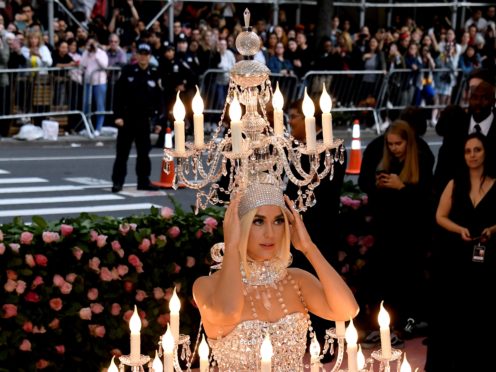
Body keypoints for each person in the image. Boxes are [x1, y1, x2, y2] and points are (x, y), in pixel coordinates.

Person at [192, 174, 359, 370]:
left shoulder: (296, 279)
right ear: (238, 225)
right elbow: (228, 312)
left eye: (278, 221)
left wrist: (308, 247)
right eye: (258, 221)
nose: (270, 233)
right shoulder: (206, 285)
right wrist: (232, 245)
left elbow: (347, 310)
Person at [425, 133, 496, 371]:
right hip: (458, 257)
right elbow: (440, 216)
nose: (472, 155)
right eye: (468, 151)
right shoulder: (455, 182)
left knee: (484, 310)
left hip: (490, 256)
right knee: (456, 309)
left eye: (477, 150)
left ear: (485, 152)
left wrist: (493, 229)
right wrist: (460, 230)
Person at [359, 120, 433, 346]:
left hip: (411, 232)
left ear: (408, 142)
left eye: (398, 144)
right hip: (385, 229)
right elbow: (364, 184)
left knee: (406, 280)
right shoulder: (379, 154)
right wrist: (378, 186)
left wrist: (402, 188)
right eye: (390, 144)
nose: (394, 148)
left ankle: (403, 326)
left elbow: (427, 199)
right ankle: (382, 325)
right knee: (381, 278)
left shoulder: (421, 158)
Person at [433, 74, 496, 198]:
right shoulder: (455, 126)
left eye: (484, 98)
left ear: (493, 101)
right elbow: (443, 169)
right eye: (474, 97)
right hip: (455, 198)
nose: (478, 103)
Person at [111, 43, 162, 193]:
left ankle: (143, 181)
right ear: (137, 55)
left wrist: (159, 120)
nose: (143, 57)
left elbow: (159, 99)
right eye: (141, 53)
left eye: (146, 54)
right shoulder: (128, 71)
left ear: (150, 56)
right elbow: (118, 95)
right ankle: (118, 181)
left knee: (144, 153)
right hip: (127, 118)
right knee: (122, 153)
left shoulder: (154, 72)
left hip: (144, 120)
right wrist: (117, 116)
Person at [80, 37, 108, 136]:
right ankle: (86, 126)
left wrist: (96, 53)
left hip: (99, 82)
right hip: (89, 82)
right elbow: (82, 64)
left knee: (100, 105)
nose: (91, 45)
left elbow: (104, 65)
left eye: (93, 43)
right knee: (86, 104)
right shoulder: (86, 53)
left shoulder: (101, 53)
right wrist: (87, 53)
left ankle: (98, 128)